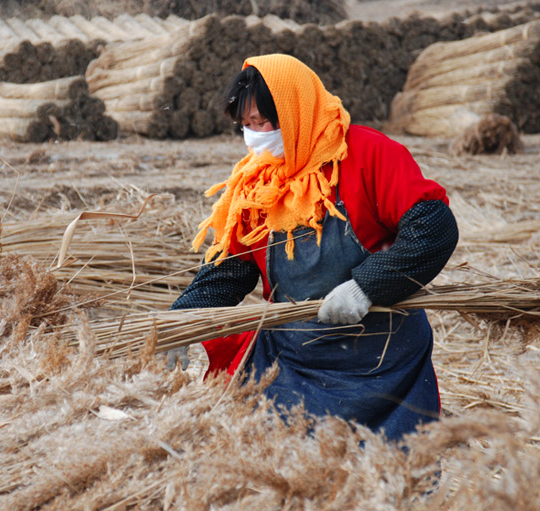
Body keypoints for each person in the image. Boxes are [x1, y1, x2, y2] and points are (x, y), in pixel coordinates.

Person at [167, 54, 458, 441]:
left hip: (380, 360)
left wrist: (366, 287)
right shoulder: (258, 182)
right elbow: (230, 270)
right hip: (295, 357)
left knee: (384, 481)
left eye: (264, 122)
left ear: (296, 110)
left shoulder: (366, 154)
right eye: (247, 125)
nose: (255, 135)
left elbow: (433, 227)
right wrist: (179, 322)